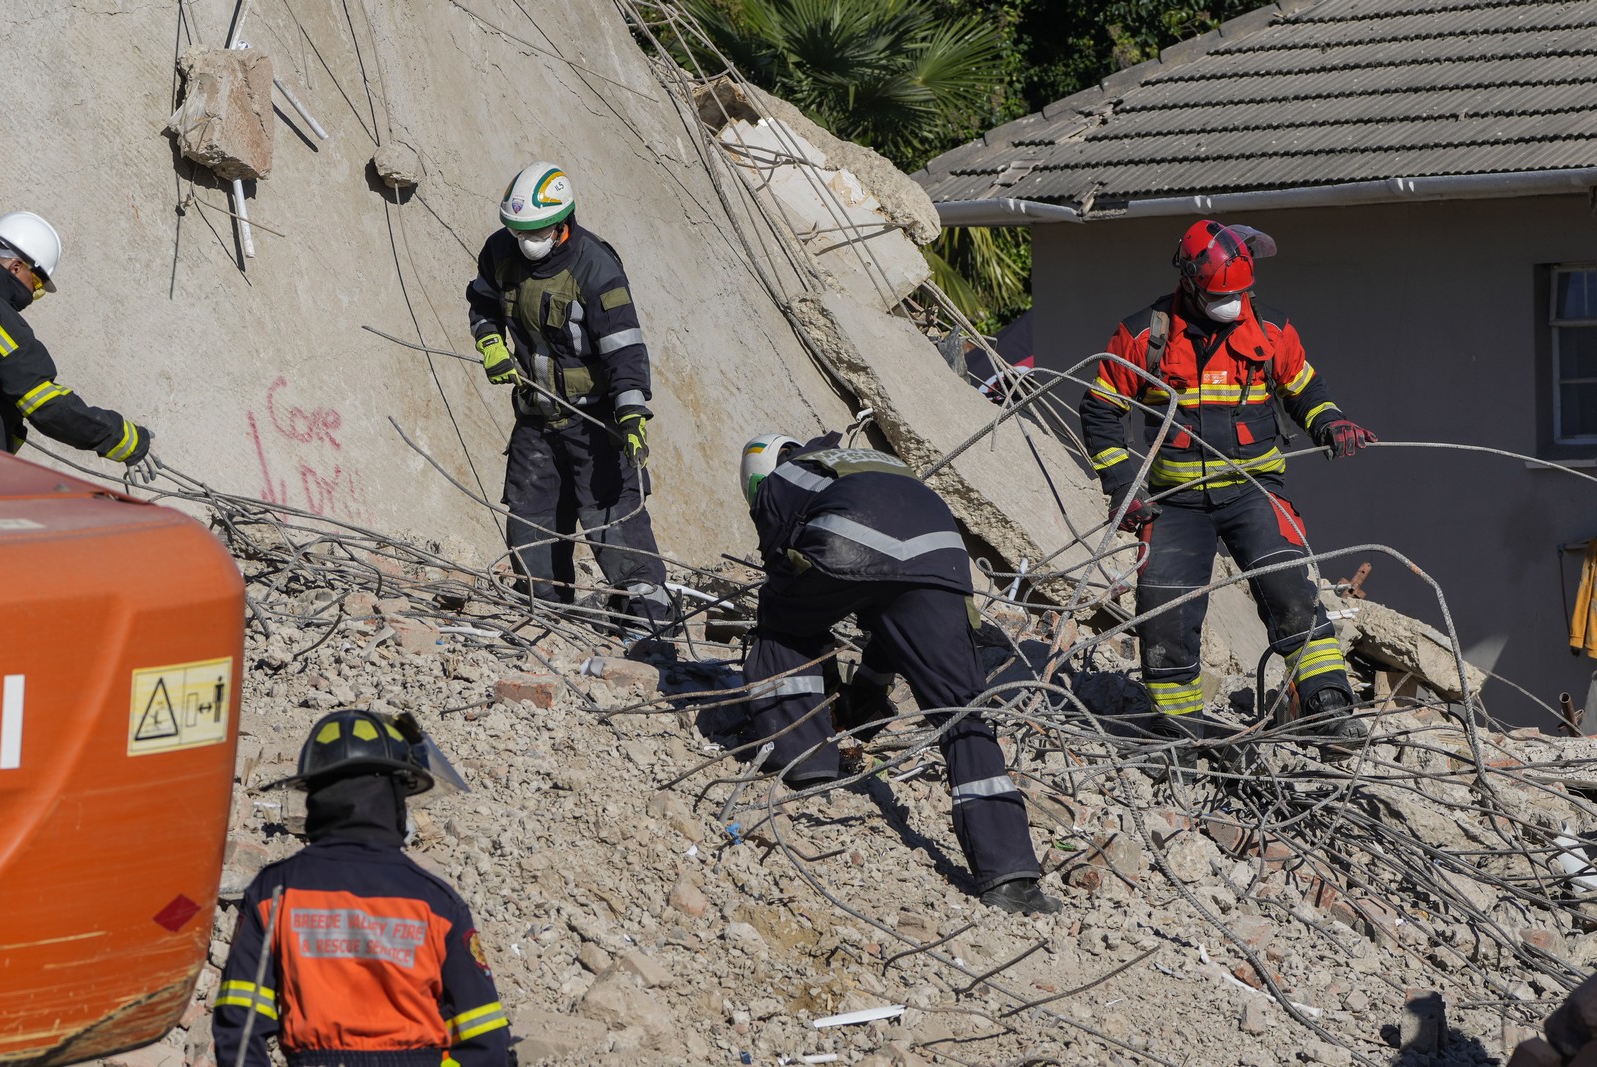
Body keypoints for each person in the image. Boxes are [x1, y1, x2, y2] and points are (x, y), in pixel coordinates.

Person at [1079, 219, 1375, 752]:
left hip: (1253, 492)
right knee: (1164, 606)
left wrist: (1331, 421)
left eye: (1240, 294)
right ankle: (1178, 728)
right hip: (1175, 505)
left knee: (1289, 589)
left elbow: (1305, 390)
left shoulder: (1270, 330)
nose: (1232, 304)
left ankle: (1327, 704)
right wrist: (1122, 485)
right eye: (1222, 295)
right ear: (1189, 282)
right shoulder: (1145, 338)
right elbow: (1101, 412)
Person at [738, 432, 1061, 915]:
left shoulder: (782, 478)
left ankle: (804, 759)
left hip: (849, 543)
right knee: (962, 711)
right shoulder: (864, 461)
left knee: (782, 619)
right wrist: (867, 690)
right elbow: (891, 611)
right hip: (940, 560)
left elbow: (783, 566)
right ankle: (1011, 878)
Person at [213, 709, 511, 1067]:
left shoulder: (275, 892)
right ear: (394, 795)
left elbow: (240, 1028)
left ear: (315, 793)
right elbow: (486, 1040)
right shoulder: (437, 903)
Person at [465, 162, 676, 635]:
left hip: (594, 421)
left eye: (536, 231)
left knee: (613, 519)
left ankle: (651, 625)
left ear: (563, 223)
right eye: (518, 231)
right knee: (531, 518)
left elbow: (624, 349)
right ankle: (549, 618)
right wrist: (490, 343)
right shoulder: (500, 251)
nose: (526, 241)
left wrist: (631, 415)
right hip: (536, 416)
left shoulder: (595, 269)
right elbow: (481, 303)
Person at [0, 211, 157, 479]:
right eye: (36, 282)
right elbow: (44, 402)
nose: (34, 294)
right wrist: (124, 439)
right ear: (15, 267)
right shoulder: (3, 320)